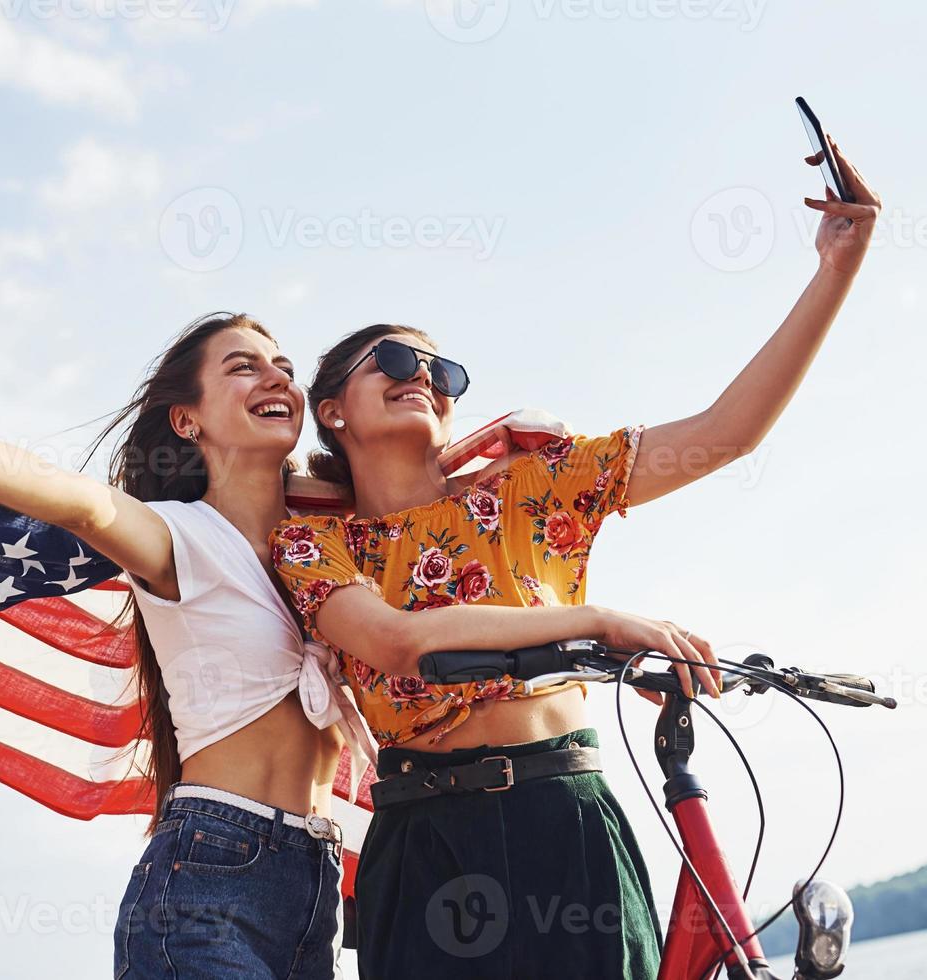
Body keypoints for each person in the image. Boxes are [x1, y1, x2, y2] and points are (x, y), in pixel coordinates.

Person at [271, 138, 881, 978]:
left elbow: (723, 434)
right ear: (331, 409)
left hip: (566, 811)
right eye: (400, 359)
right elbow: (391, 640)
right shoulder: (314, 542)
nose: (427, 376)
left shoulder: (538, 486)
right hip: (425, 835)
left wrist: (836, 268)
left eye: (442, 368)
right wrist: (597, 618)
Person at [0, 313, 351, 979]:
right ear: (186, 420)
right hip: (212, 870)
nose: (276, 377)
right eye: (242, 366)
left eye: (282, 366)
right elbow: (80, 505)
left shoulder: (330, 551)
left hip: (312, 883)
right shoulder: (177, 536)